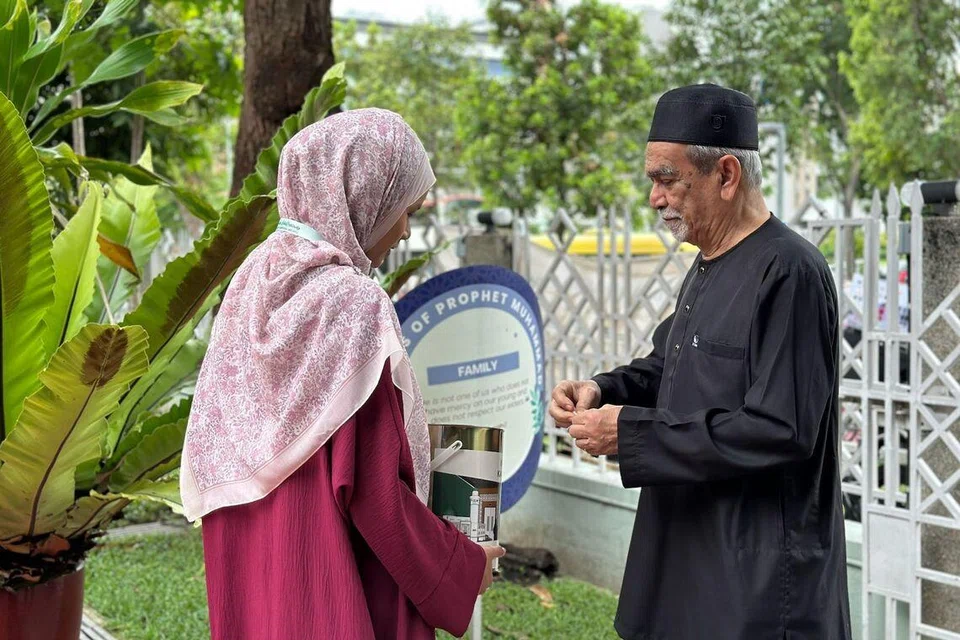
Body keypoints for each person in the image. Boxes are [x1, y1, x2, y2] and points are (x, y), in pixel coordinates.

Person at [180, 108, 503, 640]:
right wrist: (463, 565)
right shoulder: (350, 304)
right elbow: (374, 492)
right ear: (361, 194)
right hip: (330, 570)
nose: (402, 231)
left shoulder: (250, 281)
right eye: (404, 209)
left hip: (250, 562)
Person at [549, 84, 852, 640]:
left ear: (727, 175)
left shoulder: (789, 272)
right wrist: (601, 390)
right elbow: (670, 368)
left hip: (755, 580)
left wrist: (631, 435)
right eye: (652, 181)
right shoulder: (710, 263)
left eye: (667, 178)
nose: (655, 198)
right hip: (685, 554)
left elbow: (780, 428)